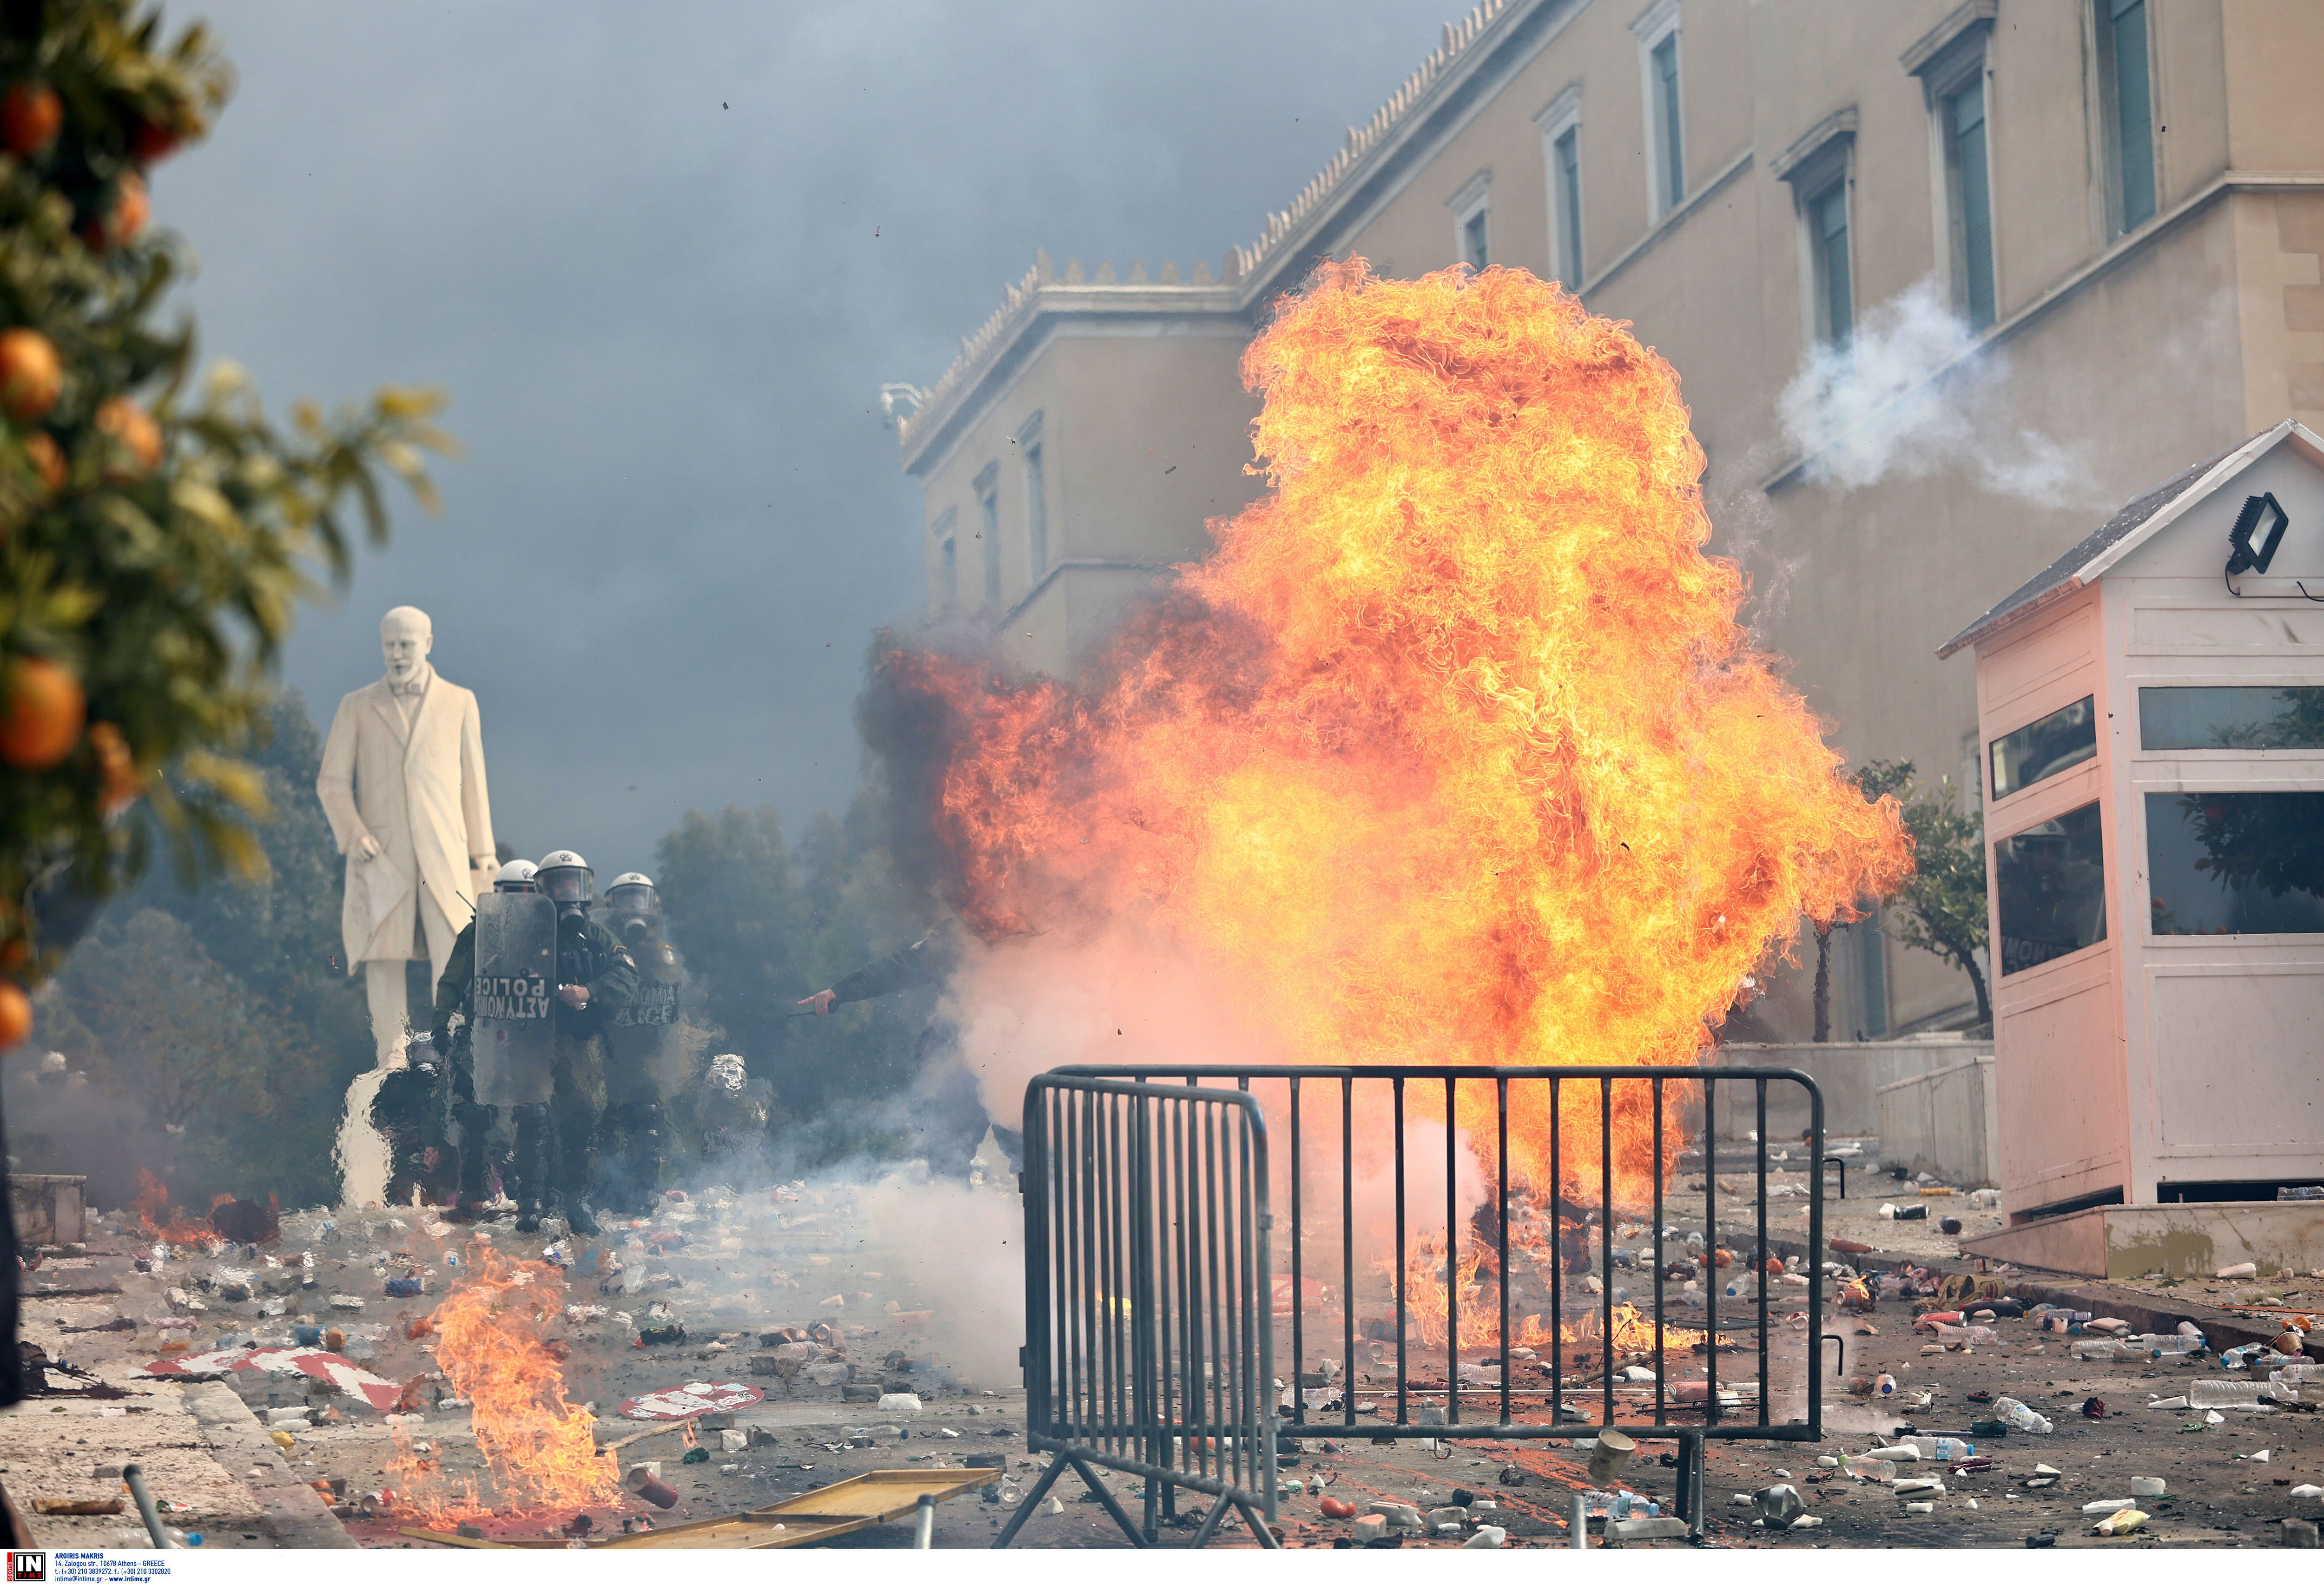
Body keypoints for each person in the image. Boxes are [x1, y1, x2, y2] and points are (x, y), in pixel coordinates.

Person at [799, 918, 1020, 1179]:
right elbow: (901, 968)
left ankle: (1046, 1216)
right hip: (961, 1061)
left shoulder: (1043, 925)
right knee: (947, 1156)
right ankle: (960, 1217)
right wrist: (840, 991)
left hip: (1020, 1059)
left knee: (1036, 1157)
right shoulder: (963, 929)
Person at [532, 850, 637, 1235]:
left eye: (571, 883)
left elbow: (627, 979)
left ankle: (576, 1201)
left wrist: (589, 992)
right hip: (530, 1040)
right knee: (532, 1121)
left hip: (579, 1043)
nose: (565, 891)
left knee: (579, 1120)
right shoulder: (528, 933)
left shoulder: (596, 936)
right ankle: (534, 1202)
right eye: (557, 884)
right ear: (543, 890)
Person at [429, 859, 541, 1220]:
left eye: (528, 894)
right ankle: (473, 1193)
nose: (521, 902)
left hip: (532, 1036)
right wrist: (442, 1022)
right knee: (476, 1114)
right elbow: (452, 981)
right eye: (514, 894)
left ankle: (533, 1195)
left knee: (534, 1115)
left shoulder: (547, 933)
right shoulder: (478, 933)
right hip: (486, 1032)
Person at [597, 872, 685, 1213]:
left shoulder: (663, 955)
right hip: (608, 1049)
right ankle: (606, 1187)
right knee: (606, 1120)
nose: (633, 906)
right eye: (626, 898)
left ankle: (646, 1189)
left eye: (640, 898)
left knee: (648, 1117)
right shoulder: (601, 946)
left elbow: (672, 997)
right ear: (612, 906)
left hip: (647, 1051)